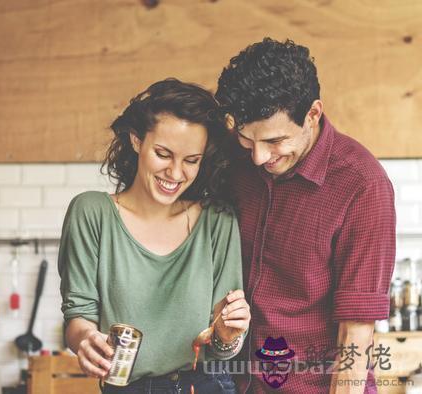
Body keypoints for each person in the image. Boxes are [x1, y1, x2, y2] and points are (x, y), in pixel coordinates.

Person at [215, 38, 396, 393]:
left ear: (312, 114)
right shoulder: (236, 162)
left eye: (276, 141)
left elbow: (356, 334)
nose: (259, 158)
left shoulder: (362, 184)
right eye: (248, 141)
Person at [58, 78, 251, 394]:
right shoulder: (91, 212)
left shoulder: (218, 220)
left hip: (205, 384)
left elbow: (221, 348)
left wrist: (229, 334)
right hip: (128, 387)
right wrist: (85, 340)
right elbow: (79, 315)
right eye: (163, 154)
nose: (175, 174)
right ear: (136, 140)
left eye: (191, 160)